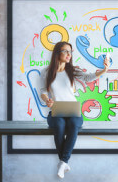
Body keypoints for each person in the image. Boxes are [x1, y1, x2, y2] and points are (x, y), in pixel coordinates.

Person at [40, 41, 110, 179]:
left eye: (70, 52)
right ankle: (64, 162)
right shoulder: (46, 72)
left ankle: (63, 162)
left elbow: (88, 77)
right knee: (59, 125)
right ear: (57, 53)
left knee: (73, 124)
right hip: (56, 112)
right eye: (66, 51)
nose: (69, 54)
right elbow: (43, 91)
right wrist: (46, 100)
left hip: (73, 111)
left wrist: (104, 70)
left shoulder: (72, 71)